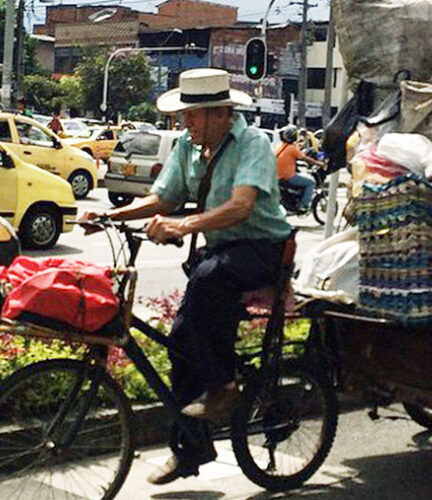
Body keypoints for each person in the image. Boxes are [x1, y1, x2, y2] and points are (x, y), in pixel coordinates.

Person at [79, 68, 292, 484]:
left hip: (263, 248)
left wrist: (183, 225)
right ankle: (191, 449)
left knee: (209, 280)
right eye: (184, 117)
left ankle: (224, 386)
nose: (185, 123)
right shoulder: (187, 147)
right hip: (220, 250)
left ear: (220, 114)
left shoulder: (254, 145)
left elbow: (241, 206)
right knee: (179, 344)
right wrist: (110, 214)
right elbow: (165, 195)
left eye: (192, 116)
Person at [275, 124, 324, 212]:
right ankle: (304, 205)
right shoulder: (292, 149)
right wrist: (319, 164)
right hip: (288, 176)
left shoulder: (280, 147)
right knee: (311, 181)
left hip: (277, 176)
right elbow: (305, 158)